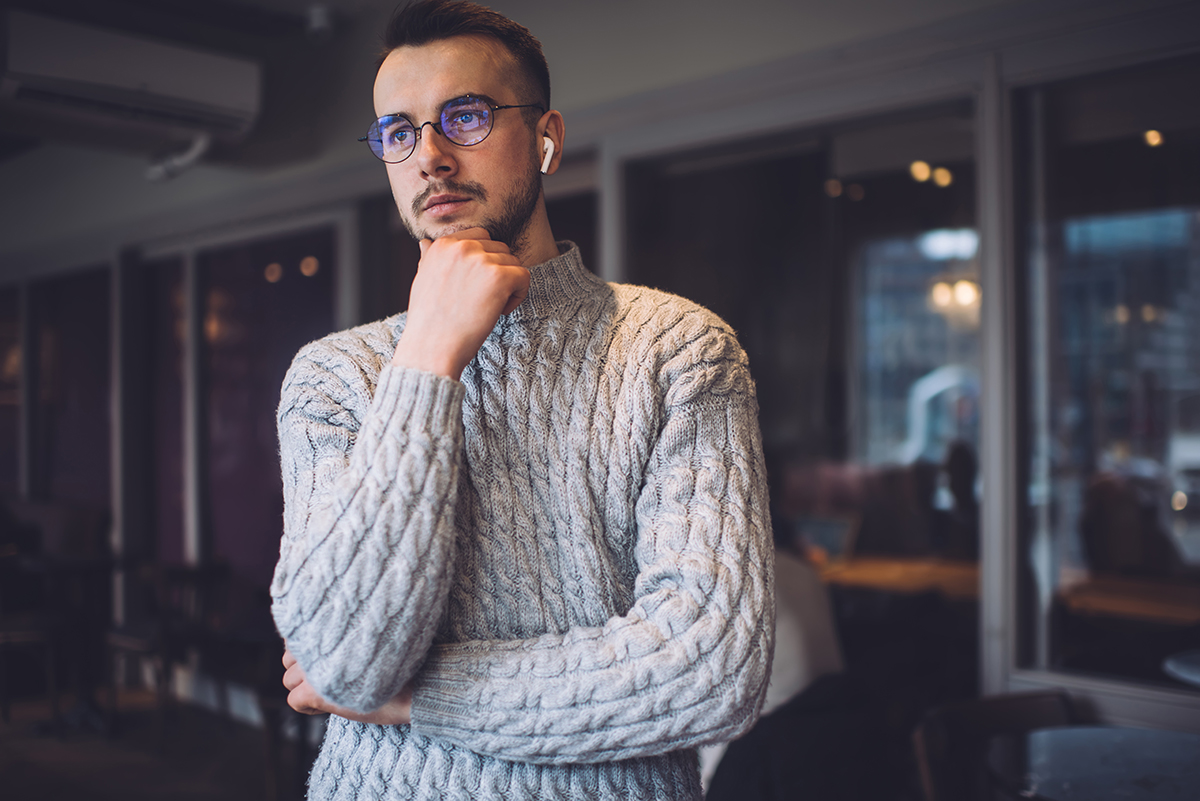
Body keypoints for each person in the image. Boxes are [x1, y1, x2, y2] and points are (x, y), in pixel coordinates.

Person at [269, 1, 774, 798]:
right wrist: (428, 356)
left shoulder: (678, 348)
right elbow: (341, 659)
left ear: (547, 139)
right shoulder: (334, 376)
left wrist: (410, 700)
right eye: (399, 131)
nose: (429, 155)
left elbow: (711, 668)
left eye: (463, 116)